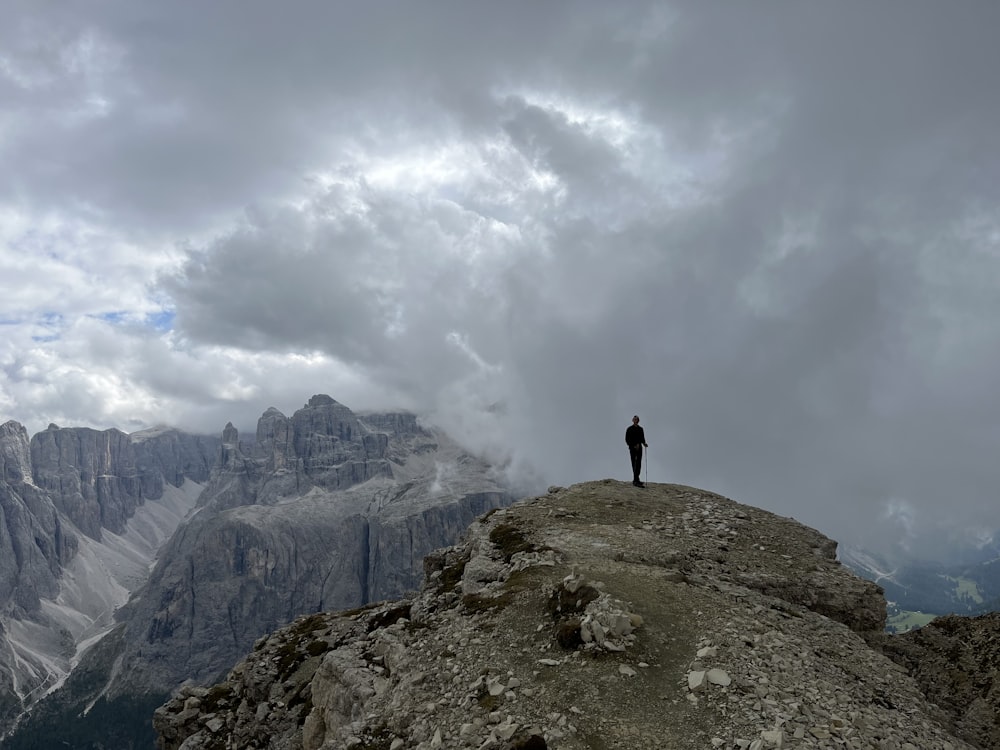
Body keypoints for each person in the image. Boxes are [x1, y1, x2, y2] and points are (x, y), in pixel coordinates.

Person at [625, 415, 648, 487]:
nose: (636, 420)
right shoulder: (629, 429)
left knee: (639, 464)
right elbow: (627, 439)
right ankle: (635, 480)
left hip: (640, 449)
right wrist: (634, 445)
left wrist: (644, 443)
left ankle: (637, 479)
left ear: (638, 421)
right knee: (634, 463)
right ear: (632, 420)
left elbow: (642, 438)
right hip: (632, 448)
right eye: (634, 419)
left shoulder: (641, 429)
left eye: (637, 419)